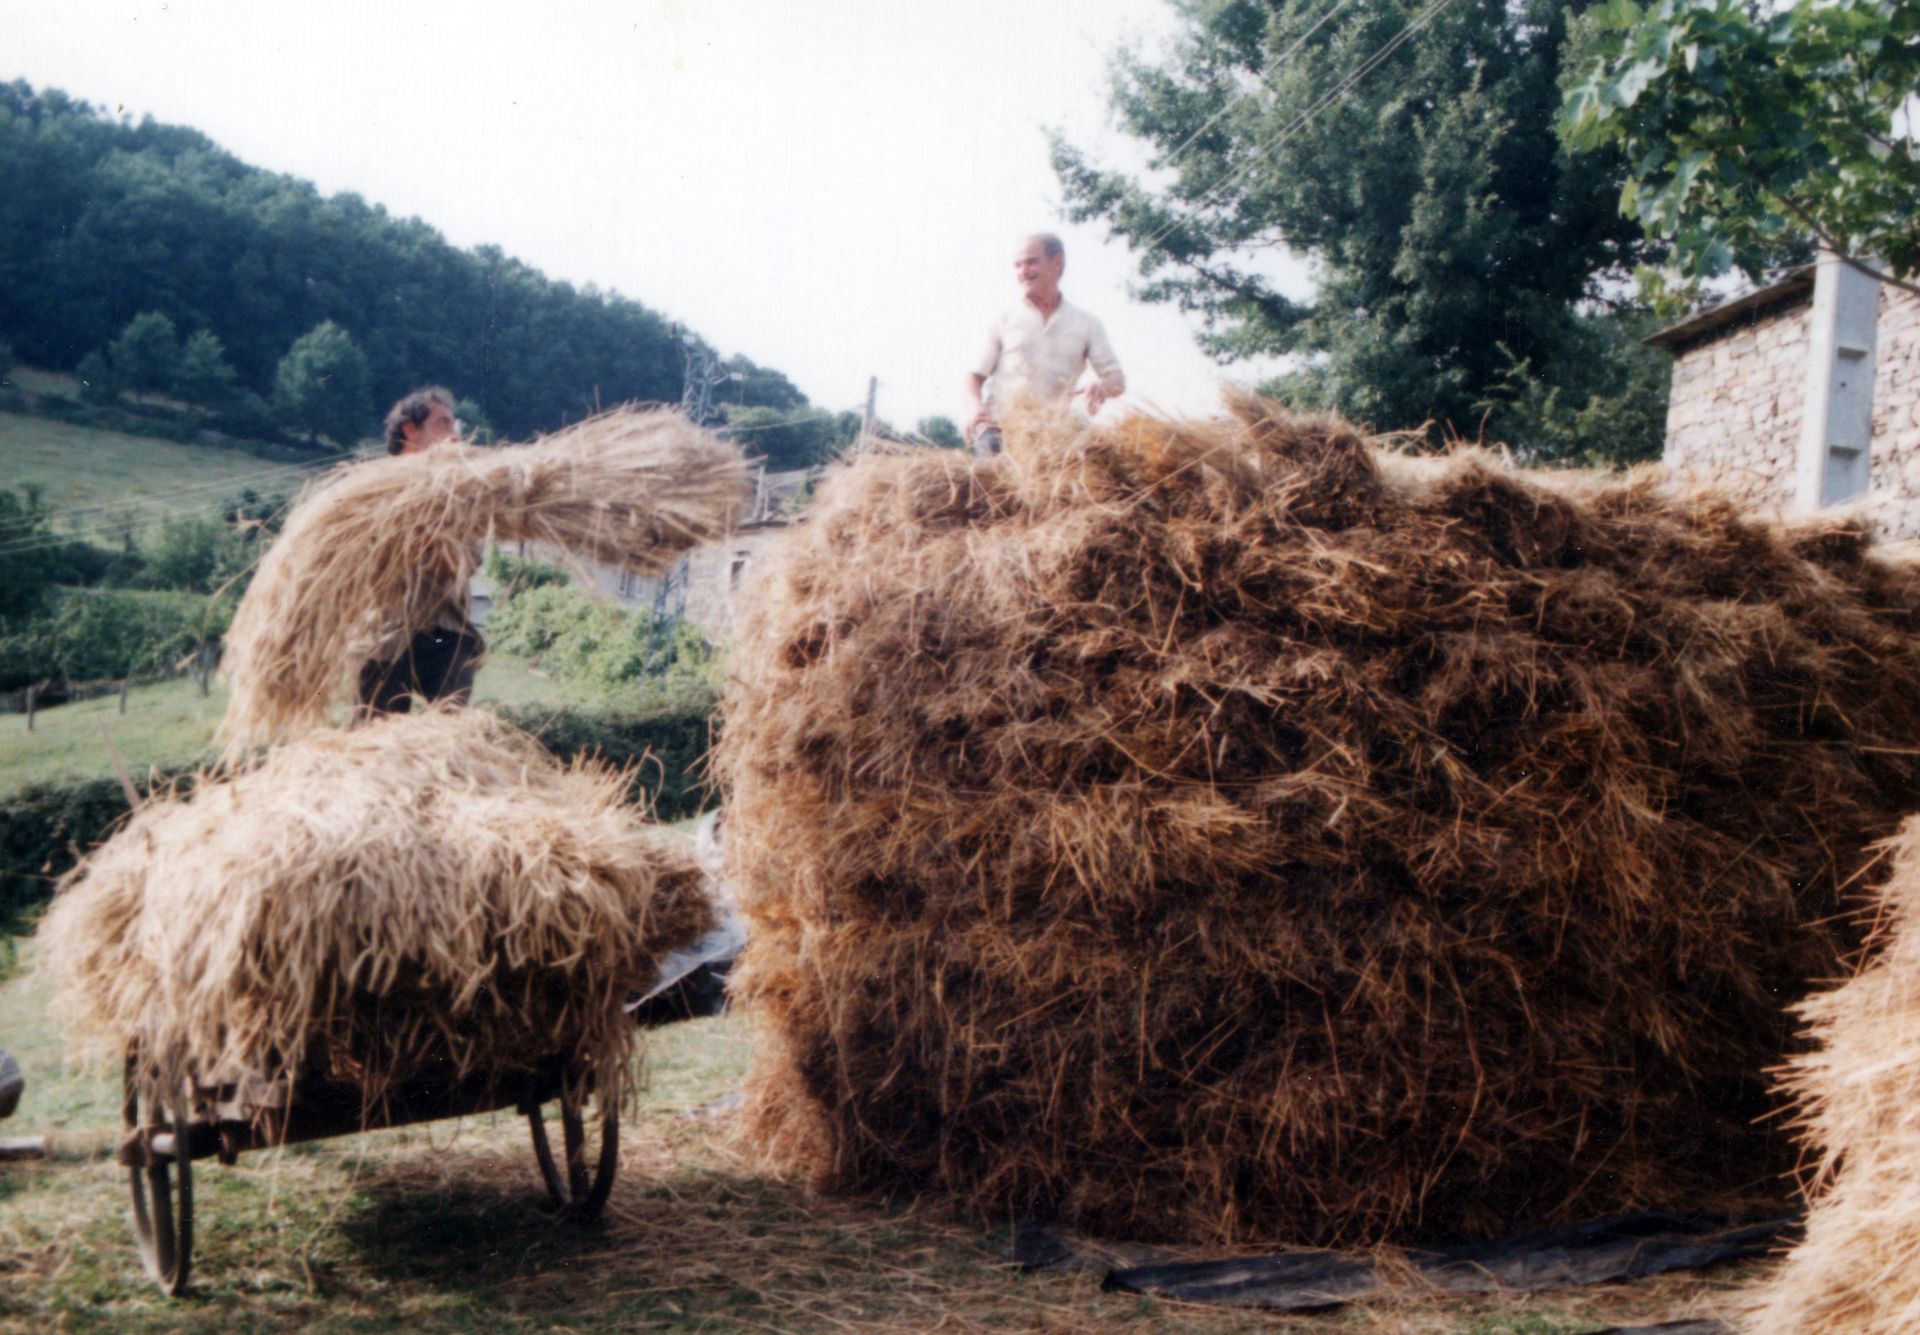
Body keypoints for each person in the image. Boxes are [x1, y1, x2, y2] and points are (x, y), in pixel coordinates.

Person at [358, 387, 486, 714]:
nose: (454, 436)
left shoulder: (462, 494)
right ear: (411, 430)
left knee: (448, 730)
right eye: (443, 424)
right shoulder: (368, 488)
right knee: (374, 733)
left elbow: (461, 563)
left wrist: (432, 529)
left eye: (453, 425)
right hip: (386, 634)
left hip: (446, 634)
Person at [965, 232, 1126, 456]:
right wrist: (976, 408)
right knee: (993, 484)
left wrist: (1101, 387)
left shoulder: (1087, 323)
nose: (1023, 271)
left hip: (1053, 433)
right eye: (1017, 265)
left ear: (1057, 262)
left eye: (1031, 262)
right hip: (1000, 428)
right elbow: (974, 377)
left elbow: (1116, 379)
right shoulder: (1002, 320)